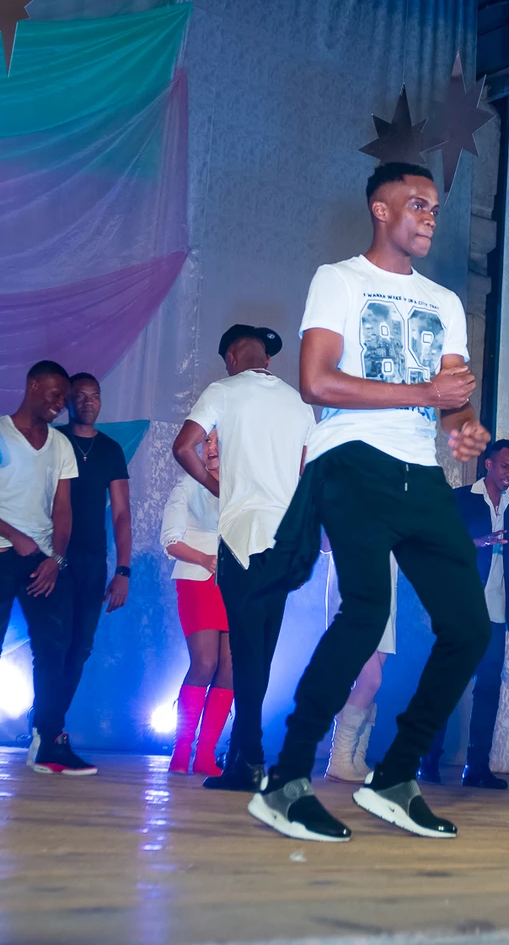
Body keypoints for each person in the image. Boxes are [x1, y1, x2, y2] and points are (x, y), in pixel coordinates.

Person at [246, 162, 492, 842]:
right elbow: (316, 382)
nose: (430, 217)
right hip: (351, 460)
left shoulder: (444, 302)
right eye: (417, 205)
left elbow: (450, 397)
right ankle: (286, 781)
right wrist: (426, 396)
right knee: (365, 614)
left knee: (468, 627)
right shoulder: (340, 280)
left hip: (421, 472)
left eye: (435, 208)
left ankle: (394, 777)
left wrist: (463, 427)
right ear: (380, 210)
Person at [172, 324, 314, 792]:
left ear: (231, 357)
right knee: (261, 655)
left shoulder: (223, 391)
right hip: (287, 543)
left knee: (246, 654)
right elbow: (309, 474)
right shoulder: (299, 403)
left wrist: (217, 486)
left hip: (243, 538)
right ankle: (244, 754)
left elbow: (183, 446)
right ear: (267, 360)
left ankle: (248, 759)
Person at [0, 361, 77, 774]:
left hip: (43, 559)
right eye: (55, 394)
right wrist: (13, 535)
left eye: (65, 399)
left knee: (52, 648)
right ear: (33, 385)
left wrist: (56, 559)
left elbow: (63, 509)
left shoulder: (60, 445)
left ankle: (49, 740)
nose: (60, 404)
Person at [421, 439, 509, 790]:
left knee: (488, 689)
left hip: (494, 611)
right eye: (505, 466)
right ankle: (427, 761)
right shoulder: (461, 499)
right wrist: (479, 542)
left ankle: (477, 768)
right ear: (489, 464)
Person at [48, 373, 131, 774]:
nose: (87, 402)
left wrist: (123, 570)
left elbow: (121, 513)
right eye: (79, 396)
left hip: (93, 560)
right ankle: (48, 730)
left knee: (81, 646)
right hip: (53, 556)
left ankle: (49, 723)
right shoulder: (53, 440)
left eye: (93, 395)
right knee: (55, 644)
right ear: (67, 401)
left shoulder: (110, 449)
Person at [159, 431, 233, 776]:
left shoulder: (243, 488)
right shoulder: (187, 485)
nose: (211, 447)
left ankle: (206, 754)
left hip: (235, 586)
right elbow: (170, 541)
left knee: (230, 667)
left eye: (219, 440)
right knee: (204, 663)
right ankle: (181, 749)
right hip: (197, 580)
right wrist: (205, 559)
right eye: (207, 441)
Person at [324, 552, 399, 785]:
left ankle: (356, 759)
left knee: (371, 684)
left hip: (383, 592)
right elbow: (325, 543)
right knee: (371, 680)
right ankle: (339, 759)